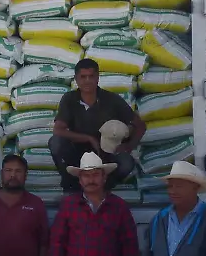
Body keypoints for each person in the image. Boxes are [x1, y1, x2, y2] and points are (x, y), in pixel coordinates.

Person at [48, 58, 146, 190]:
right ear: (76, 79)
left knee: (126, 163)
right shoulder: (69, 99)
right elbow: (58, 130)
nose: (87, 81)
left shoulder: (112, 100)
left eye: (91, 76)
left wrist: (129, 146)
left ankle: (103, 189)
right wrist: (89, 138)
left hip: (106, 153)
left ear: (98, 78)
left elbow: (140, 125)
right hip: (77, 153)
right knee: (56, 143)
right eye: (83, 77)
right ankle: (72, 187)